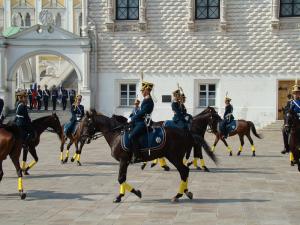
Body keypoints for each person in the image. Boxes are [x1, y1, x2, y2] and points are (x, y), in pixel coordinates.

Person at [128, 81, 154, 163]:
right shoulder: (145, 100)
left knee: (132, 136)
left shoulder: (149, 101)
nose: (142, 92)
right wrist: (131, 117)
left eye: (143, 91)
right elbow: (139, 111)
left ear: (147, 90)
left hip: (143, 122)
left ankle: (137, 156)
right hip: (139, 121)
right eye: (142, 91)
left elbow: (142, 113)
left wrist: (132, 119)